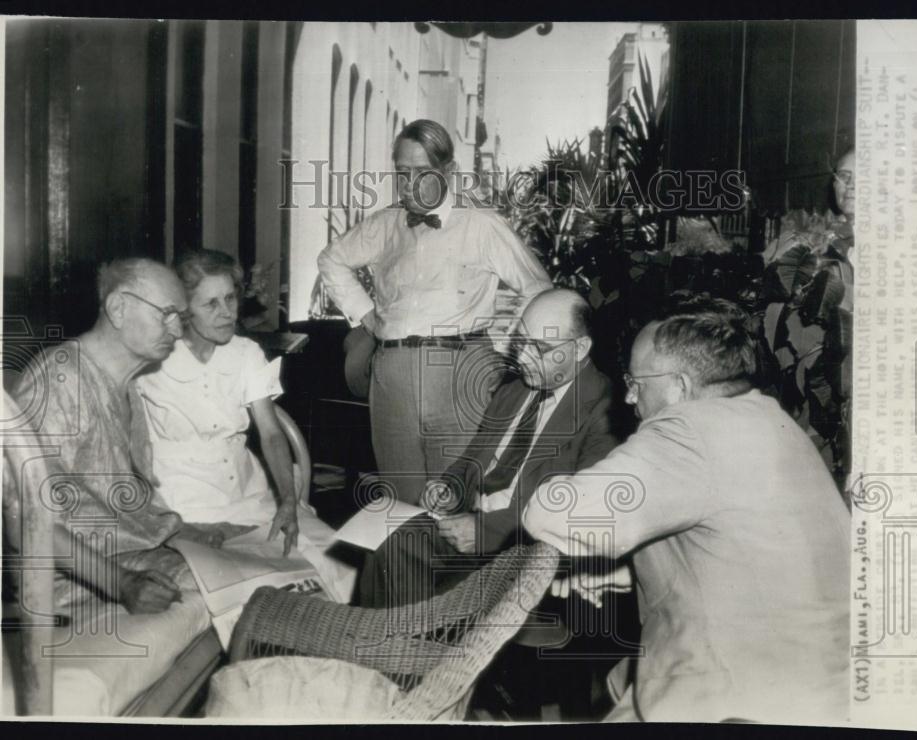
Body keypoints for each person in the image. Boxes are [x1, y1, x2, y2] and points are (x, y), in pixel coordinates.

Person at [523, 300, 850, 724]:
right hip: (824, 683)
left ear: (678, 387)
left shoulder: (688, 431)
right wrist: (629, 569)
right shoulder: (770, 419)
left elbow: (552, 513)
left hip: (741, 700)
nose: (627, 396)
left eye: (635, 382)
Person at [317, 119, 552, 505]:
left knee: (455, 503)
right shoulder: (386, 224)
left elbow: (539, 289)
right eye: (401, 173)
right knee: (402, 503)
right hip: (392, 378)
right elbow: (332, 260)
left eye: (421, 173)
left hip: (460, 374)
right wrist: (367, 315)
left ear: (449, 173)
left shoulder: (482, 226)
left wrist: (510, 353)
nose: (408, 185)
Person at [358, 288, 617, 608]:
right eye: (520, 342)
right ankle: (379, 648)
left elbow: (578, 511)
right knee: (386, 549)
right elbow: (471, 459)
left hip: (522, 547)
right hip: (466, 521)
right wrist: (449, 486)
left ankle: (407, 648)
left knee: (429, 601)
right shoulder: (514, 390)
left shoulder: (606, 410)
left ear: (580, 348)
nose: (522, 358)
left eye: (540, 348)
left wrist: (485, 532)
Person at [6, 258, 230, 614]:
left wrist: (183, 534)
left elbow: (128, 507)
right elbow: (23, 523)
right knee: (240, 591)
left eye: (182, 318)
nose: (177, 331)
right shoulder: (58, 383)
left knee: (257, 566)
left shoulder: (129, 386)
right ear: (118, 308)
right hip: (70, 586)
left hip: (131, 555)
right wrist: (121, 583)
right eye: (167, 314)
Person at [133, 249, 353, 600]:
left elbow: (271, 434)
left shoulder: (245, 353)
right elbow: (133, 452)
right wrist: (171, 526)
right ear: (184, 310)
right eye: (211, 304)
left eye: (231, 298)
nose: (227, 313)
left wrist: (287, 500)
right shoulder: (153, 359)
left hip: (247, 495)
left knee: (339, 562)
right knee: (255, 588)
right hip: (184, 505)